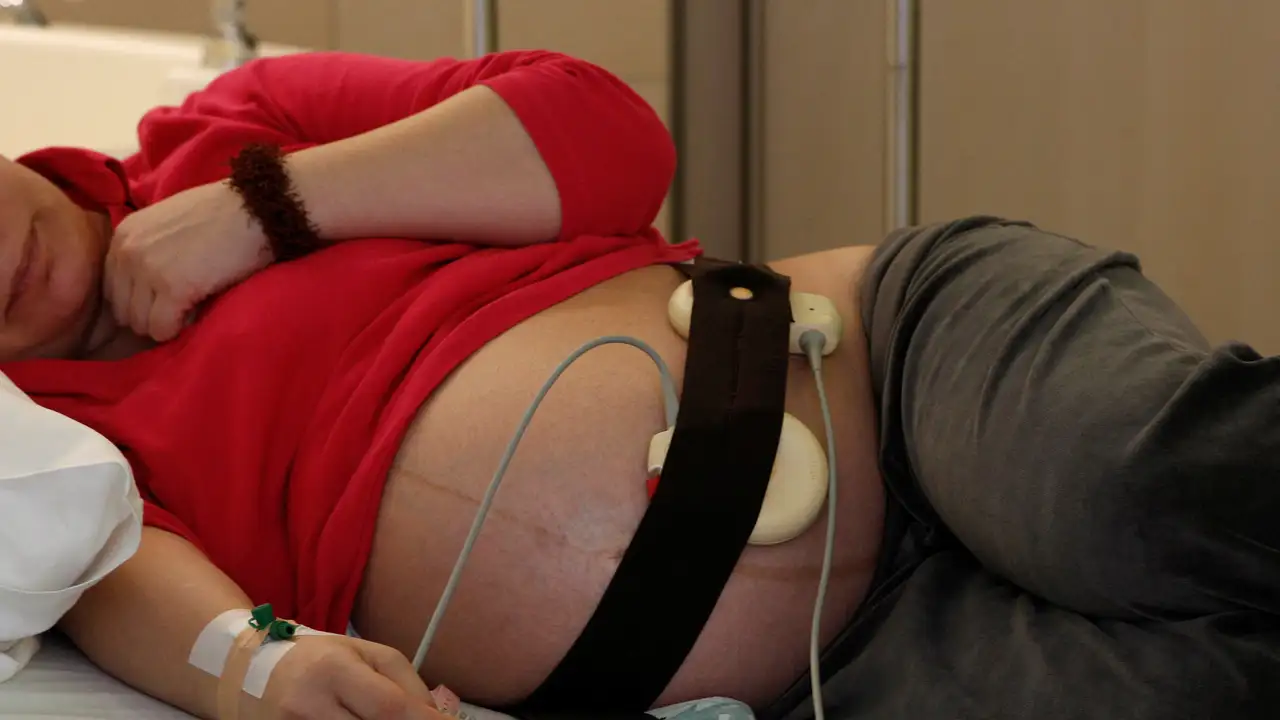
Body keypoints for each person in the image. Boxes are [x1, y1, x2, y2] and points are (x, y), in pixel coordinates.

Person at [0, 47, 1275, 720]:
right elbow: (114, 574)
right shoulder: (39, 452)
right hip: (843, 670)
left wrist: (265, 205)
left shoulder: (230, 129)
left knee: (1148, 494)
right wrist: (258, 673)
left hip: (902, 372)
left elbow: (599, 131)